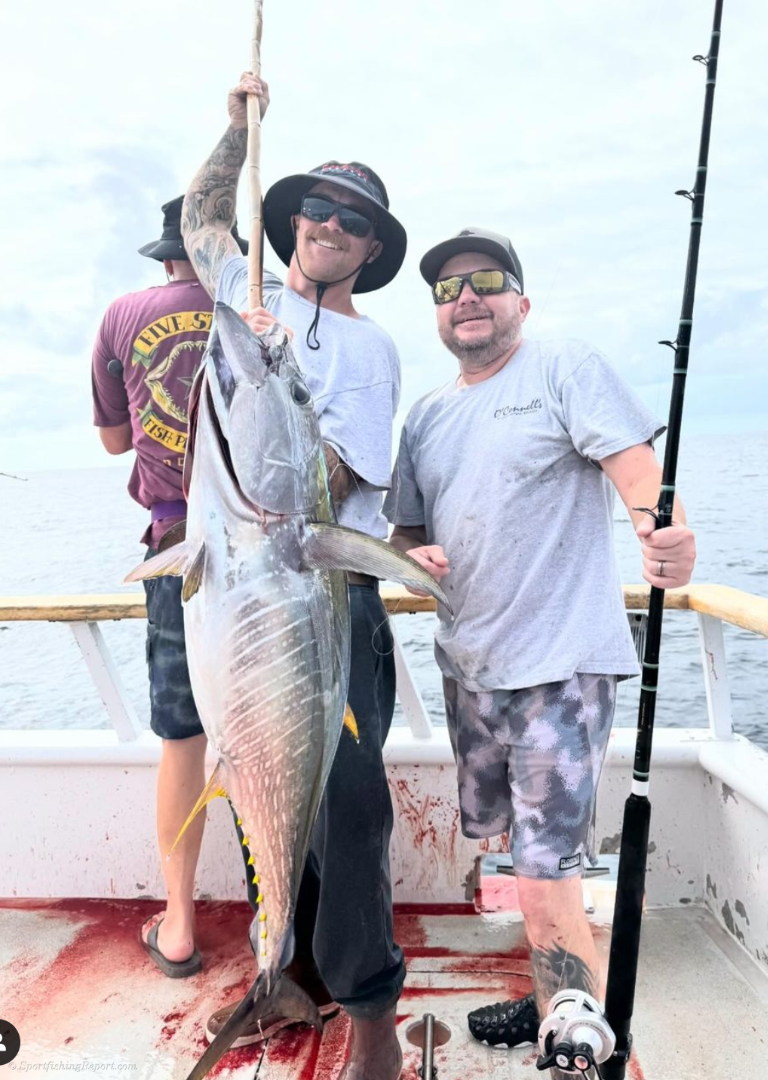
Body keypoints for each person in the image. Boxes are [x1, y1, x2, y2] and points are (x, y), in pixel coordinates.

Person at [385, 228, 697, 1073]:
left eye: (487, 280)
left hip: (561, 670)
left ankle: (589, 1046)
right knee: (519, 854)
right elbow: (408, 529)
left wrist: (656, 529)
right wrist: (414, 556)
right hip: (471, 668)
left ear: (521, 300)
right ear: (436, 315)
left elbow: (637, 474)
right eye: (448, 290)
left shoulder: (560, 365)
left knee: (545, 867)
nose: (467, 297)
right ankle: (551, 988)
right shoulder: (428, 416)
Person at [181, 72, 407, 1080]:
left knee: (350, 806)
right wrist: (234, 133)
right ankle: (287, 973)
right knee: (252, 776)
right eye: (314, 207)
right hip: (236, 574)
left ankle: (368, 1015)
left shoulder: (372, 347)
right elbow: (199, 220)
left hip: (323, 594)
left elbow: (347, 473)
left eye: (351, 219)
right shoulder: (244, 298)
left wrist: (284, 399)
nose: (327, 223)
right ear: (292, 224)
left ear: (369, 248)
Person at [91, 197, 247, 977]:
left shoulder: (123, 314)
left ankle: (180, 926)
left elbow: (116, 436)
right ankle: (276, 911)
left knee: (182, 736)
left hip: (176, 542)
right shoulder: (253, 314)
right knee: (259, 727)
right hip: (255, 546)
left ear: (163, 257)